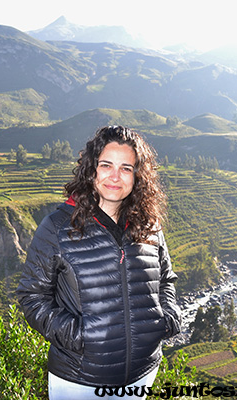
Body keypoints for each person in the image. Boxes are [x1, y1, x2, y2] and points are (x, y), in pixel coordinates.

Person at [16, 126, 181, 399]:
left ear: (138, 176)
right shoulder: (57, 228)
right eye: (106, 165)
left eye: (126, 168)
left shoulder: (150, 226)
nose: (115, 176)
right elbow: (32, 296)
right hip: (80, 379)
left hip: (143, 372)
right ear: (92, 169)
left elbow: (165, 279)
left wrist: (167, 318)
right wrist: (79, 336)